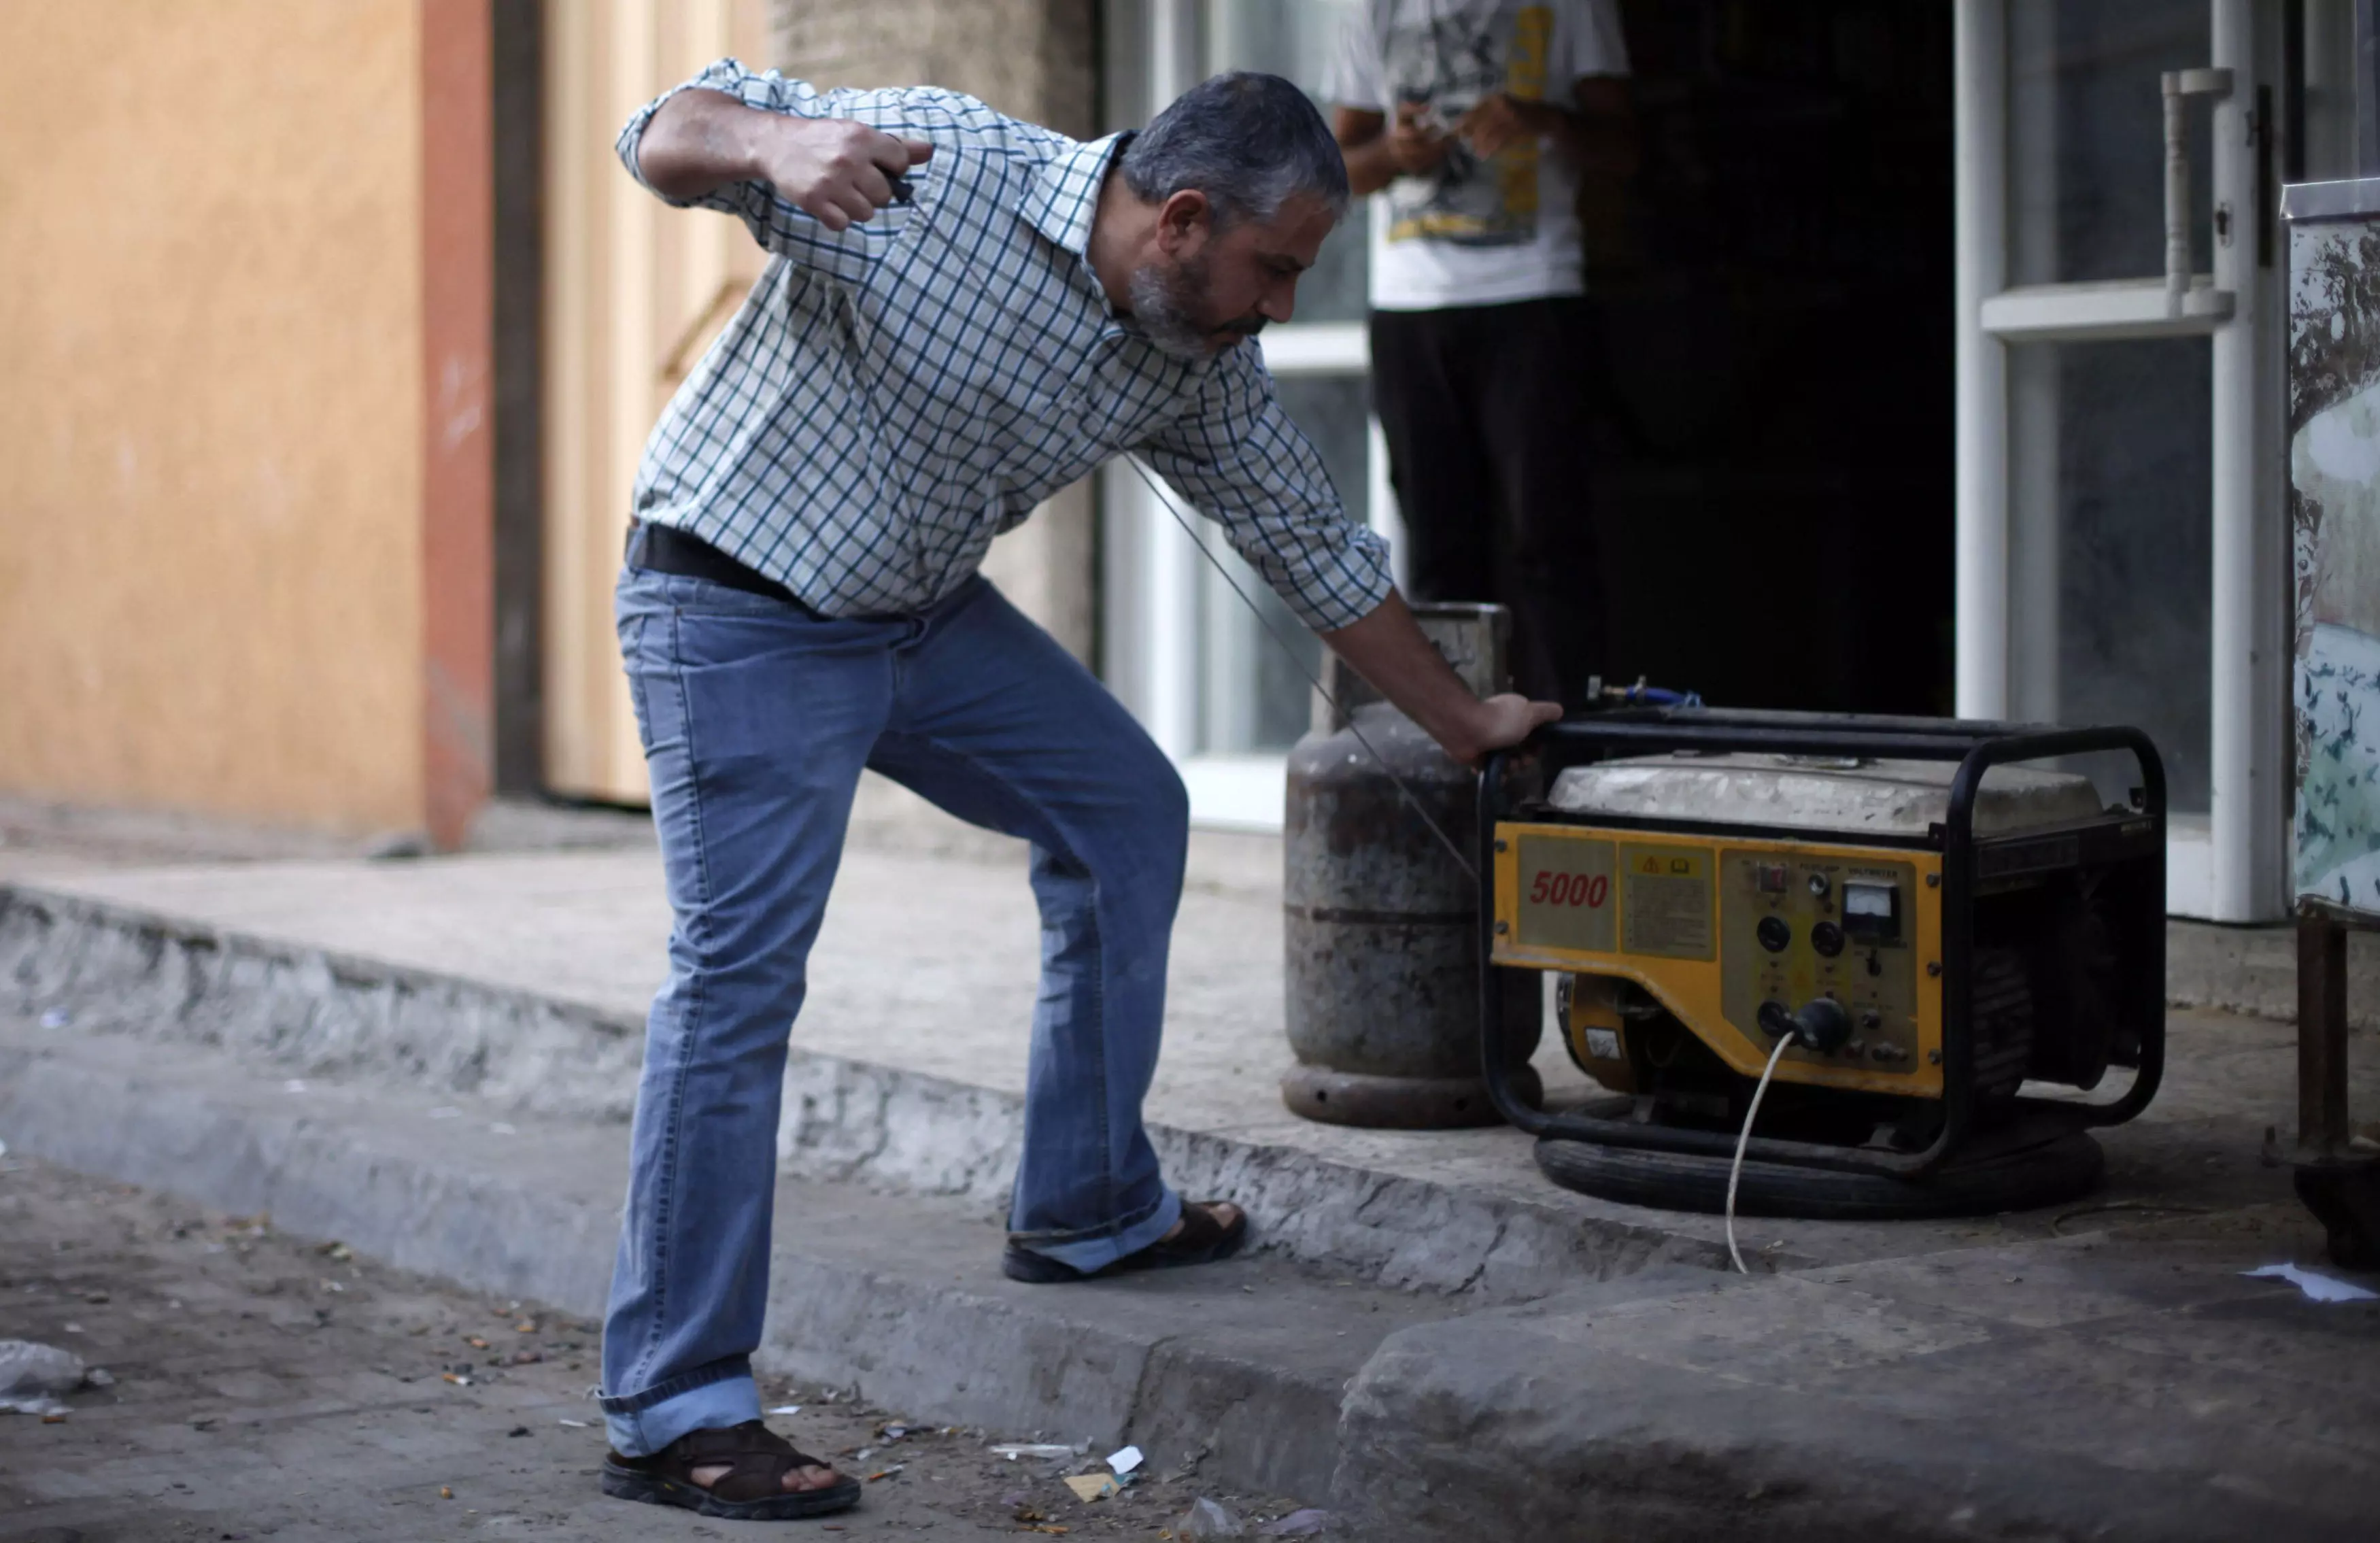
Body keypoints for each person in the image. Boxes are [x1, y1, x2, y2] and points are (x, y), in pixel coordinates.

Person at [593, 62, 1561, 1522]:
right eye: (1275, 270)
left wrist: (1466, 720)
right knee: (737, 979)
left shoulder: (1189, 357)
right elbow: (660, 130)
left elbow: (1313, 545)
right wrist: (771, 145)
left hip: (913, 616)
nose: (1281, 309)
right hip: (734, 608)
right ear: (1179, 219)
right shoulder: (944, 170)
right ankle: (674, 1404)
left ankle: (1088, 1207)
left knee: (1125, 811)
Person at [1326, 0, 1635, 707]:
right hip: (1411, 309)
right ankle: (1459, 761)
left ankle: (1572, 758)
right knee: (1437, 553)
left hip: (1534, 294)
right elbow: (1337, 168)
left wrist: (1541, 118)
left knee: (1551, 541)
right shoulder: (1372, 9)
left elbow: (1626, 146)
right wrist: (1394, 155)